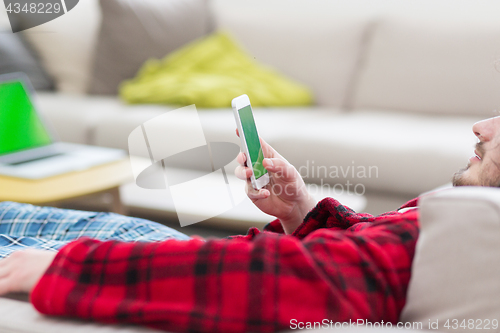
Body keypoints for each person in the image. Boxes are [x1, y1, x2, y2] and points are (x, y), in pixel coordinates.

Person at [0, 116, 495, 333]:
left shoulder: (476, 223)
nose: (482, 126)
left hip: (148, 271)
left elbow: (282, 279)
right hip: (165, 254)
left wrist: (72, 270)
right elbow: (364, 260)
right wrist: (300, 211)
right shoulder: (466, 209)